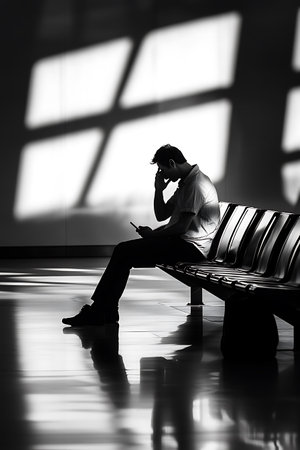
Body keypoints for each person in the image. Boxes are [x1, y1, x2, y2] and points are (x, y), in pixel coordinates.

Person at [62, 144, 220, 327]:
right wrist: (158, 190)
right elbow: (162, 215)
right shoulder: (186, 183)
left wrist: (153, 236)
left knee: (123, 251)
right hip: (182, 243)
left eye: (163, 170)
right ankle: (105, 310)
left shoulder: (195, 184)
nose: (164, 175)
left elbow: (182, 228)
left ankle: (103, 311)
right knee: (123, 252)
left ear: (172, 163)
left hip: (191, 249)